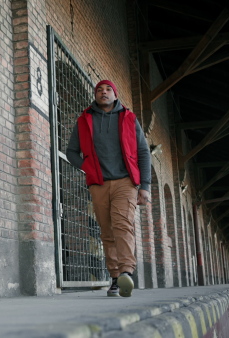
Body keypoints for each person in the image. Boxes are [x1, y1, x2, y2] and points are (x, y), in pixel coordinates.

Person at [65, 80, 151, 297]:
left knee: (123, 225)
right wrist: (88, 168)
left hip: (125, 182)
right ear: (95, 95)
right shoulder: (85, 120)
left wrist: (145, 186)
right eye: (99, 90)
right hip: (99, 183)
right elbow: (71, 151)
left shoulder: (129, 119)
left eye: (108, 89)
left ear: (115, 94)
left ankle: (126, 272)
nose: (104, 92)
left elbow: (143, 152)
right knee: (107, 231)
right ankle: (115, 278)